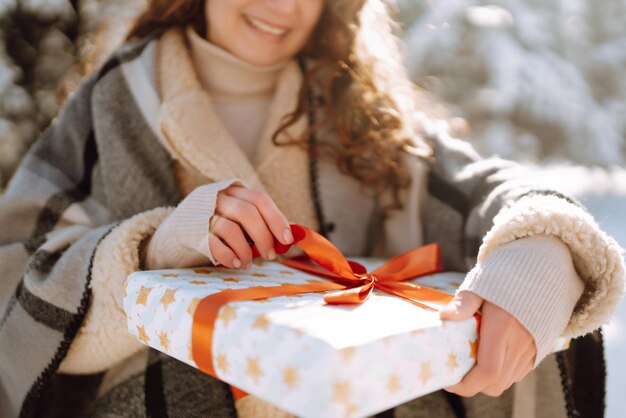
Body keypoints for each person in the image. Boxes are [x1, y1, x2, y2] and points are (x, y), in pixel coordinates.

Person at [0, 0, 623, 417]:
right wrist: (159, 247)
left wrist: (540, 253)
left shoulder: (359, 107)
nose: (284, 7)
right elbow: (17, 281)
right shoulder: (111, 104)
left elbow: (495, 192)